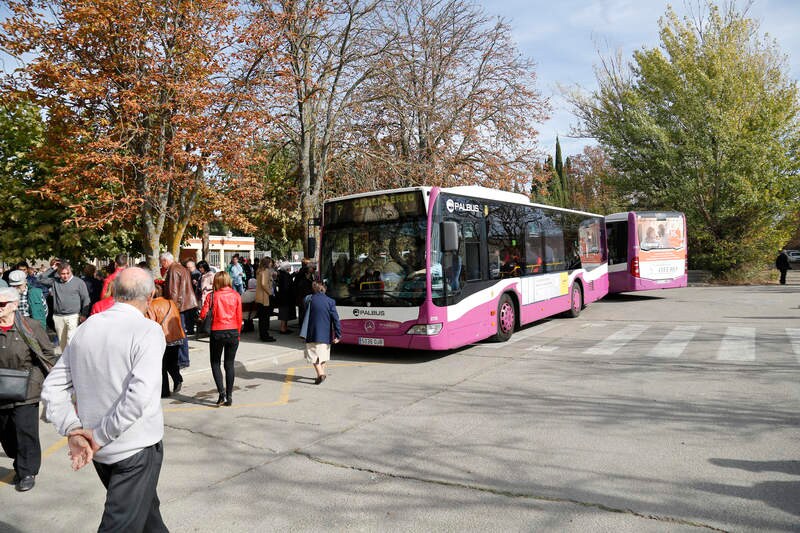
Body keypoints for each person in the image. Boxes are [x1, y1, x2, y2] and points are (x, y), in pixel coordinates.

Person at [41, 267, 169, 532]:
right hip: (134, 449)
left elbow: (52, 386)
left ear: (113, 291)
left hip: (104, 450)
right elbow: (140, 397)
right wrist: (89, 434)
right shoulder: (147, 331)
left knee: (147, 517)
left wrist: (75, 429)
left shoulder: (87, 328)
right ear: (151, 294)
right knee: (120, 524)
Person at [0, 287, 58, 492]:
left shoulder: (30, 326)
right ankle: (19, 461)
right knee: (6, 434)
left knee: (26, 432)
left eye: (2, 304)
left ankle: (27, 472)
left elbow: (47, 355)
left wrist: (36, 380)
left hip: (26, 389)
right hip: (1, 389)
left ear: (14, 305)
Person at [199, 271, 241, 406]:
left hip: (217, 331)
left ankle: (221, 393)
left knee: (215, 362)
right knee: (229, 364)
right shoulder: (236, 295)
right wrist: (238, 333)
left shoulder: (212, 296)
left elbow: (203, 314)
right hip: (233, 330)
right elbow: (239, 317)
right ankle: (229, 395)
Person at [37, 262, 91, 353]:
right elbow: (40, 279)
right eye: (62, 274)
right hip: (58, 316)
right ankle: (65, 363)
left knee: (71, 341)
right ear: (59, 273)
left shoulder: (79, 282)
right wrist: (52, 268)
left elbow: (85, 298)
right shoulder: (55, 281)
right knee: (63, 344)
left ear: (71, 271)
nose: (65, 276)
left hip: (73, 315)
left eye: (67, 273)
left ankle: (73, 362)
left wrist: (84, 314)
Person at [160, 252, 197, 369]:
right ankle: (183, 359)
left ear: (165, 261)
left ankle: (183, 360)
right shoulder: (181, 267)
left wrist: (171, 308)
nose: (162, 265)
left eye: (162, 262)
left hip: (178, 306)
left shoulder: (173, 270)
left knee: (180, 333)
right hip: (185, 304)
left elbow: (173, 292)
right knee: (182, 332)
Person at [146, 285, 185, 398]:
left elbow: (151, 324)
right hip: (176, 336)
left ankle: (164, 391)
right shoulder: (171, 302)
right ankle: (177, 378)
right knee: (172, 362)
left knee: (162, 365)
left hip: (162, 338)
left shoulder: (151, 306)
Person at [300, 281, 341, 384]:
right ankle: (321, 373)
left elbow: (304, 311)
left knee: (313, 355)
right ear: (325, 289)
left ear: (314, 289)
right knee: (323, 355)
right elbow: (336, 319)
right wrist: (338, 334)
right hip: (326, 334)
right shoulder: (330, 301)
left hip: (311, 333)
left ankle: (320, 374)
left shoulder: (308, 299)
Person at [255, 257, 276, 342]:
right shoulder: (265, 271)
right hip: (265, 297)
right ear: (267, 263)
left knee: (262, 318)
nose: (271, 264)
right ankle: (265, 335)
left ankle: (263, 334)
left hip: (260, 297)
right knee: (265, 318)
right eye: (270, 262)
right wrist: (270, 292)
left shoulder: (259, 271)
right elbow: (264, 284)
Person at [275, 262, 296, 334]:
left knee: (285, 313)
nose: (290, 268)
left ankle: (284, 328)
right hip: (285, 297)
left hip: (283, 297)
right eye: (289, 267)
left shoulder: (283, 275)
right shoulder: (285, 276)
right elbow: (287, 286)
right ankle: (283, 329)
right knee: (284, 314)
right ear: (287, 268)